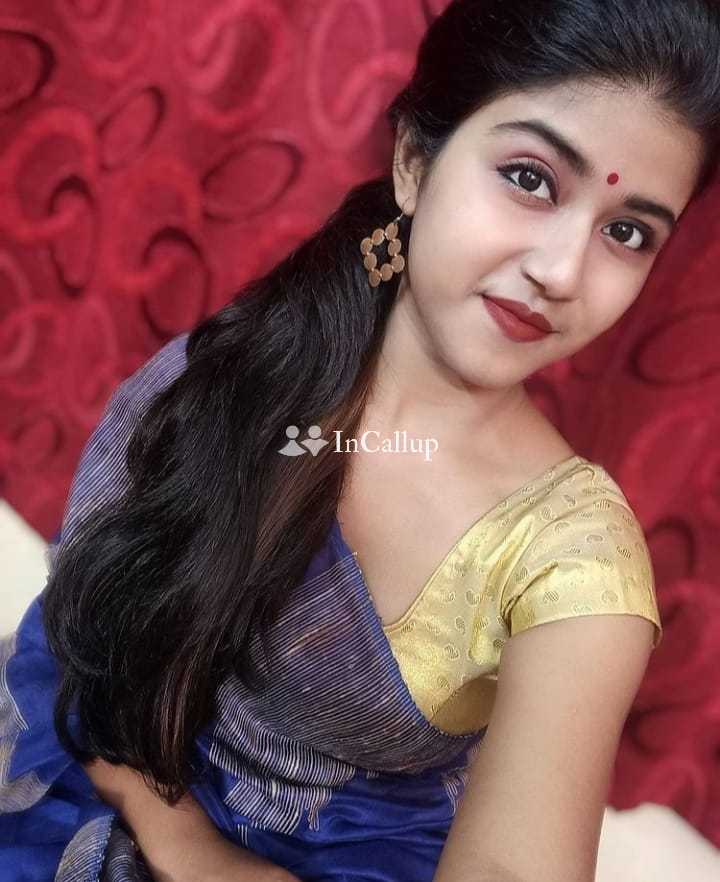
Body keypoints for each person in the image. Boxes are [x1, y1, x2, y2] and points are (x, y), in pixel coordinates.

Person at [2, 1, 719, 880]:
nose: (561, 271)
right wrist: (172, 828)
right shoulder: (254, 359)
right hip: (66, 780)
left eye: (627, 232)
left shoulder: (575, 563)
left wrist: (210, 859)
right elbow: (83, 629)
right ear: (415, 163)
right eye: (531, 179)